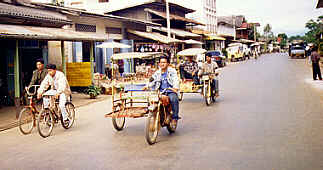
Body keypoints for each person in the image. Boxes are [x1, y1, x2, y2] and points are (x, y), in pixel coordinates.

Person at [146, 56, 180, 124]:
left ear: (168, 63)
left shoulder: (172, 71)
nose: (162, 64)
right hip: (161, 92)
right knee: (150, 99)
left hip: (170, 91)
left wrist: (175, 88)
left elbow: (175, 79)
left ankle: (174, 118)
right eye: (161, 62)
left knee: (174, 99)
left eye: (164, 62)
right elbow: (152, 79)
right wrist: (147, 85)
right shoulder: (157, 72)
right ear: (159, 64)